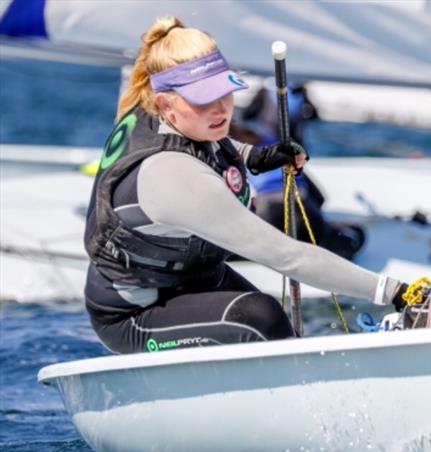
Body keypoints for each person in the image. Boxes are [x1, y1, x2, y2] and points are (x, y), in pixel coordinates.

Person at [83, 16, 409, 354]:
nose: (221, 108)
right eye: (203, 98)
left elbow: (211, 148)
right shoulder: (171, 175)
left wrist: (260, 156)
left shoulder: (162, 114)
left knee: (269, 322)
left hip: (191, 278)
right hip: (135, 312)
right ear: (166, 102)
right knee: (260, 319)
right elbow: (289, 257)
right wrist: (394, 292)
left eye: (224, 92)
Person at [229, 78, 365, 260]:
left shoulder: (240, 154)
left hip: (267, 211)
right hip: (304, 206)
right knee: (350, 237)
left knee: (239, 249)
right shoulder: (278, 146)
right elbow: (320, 198)